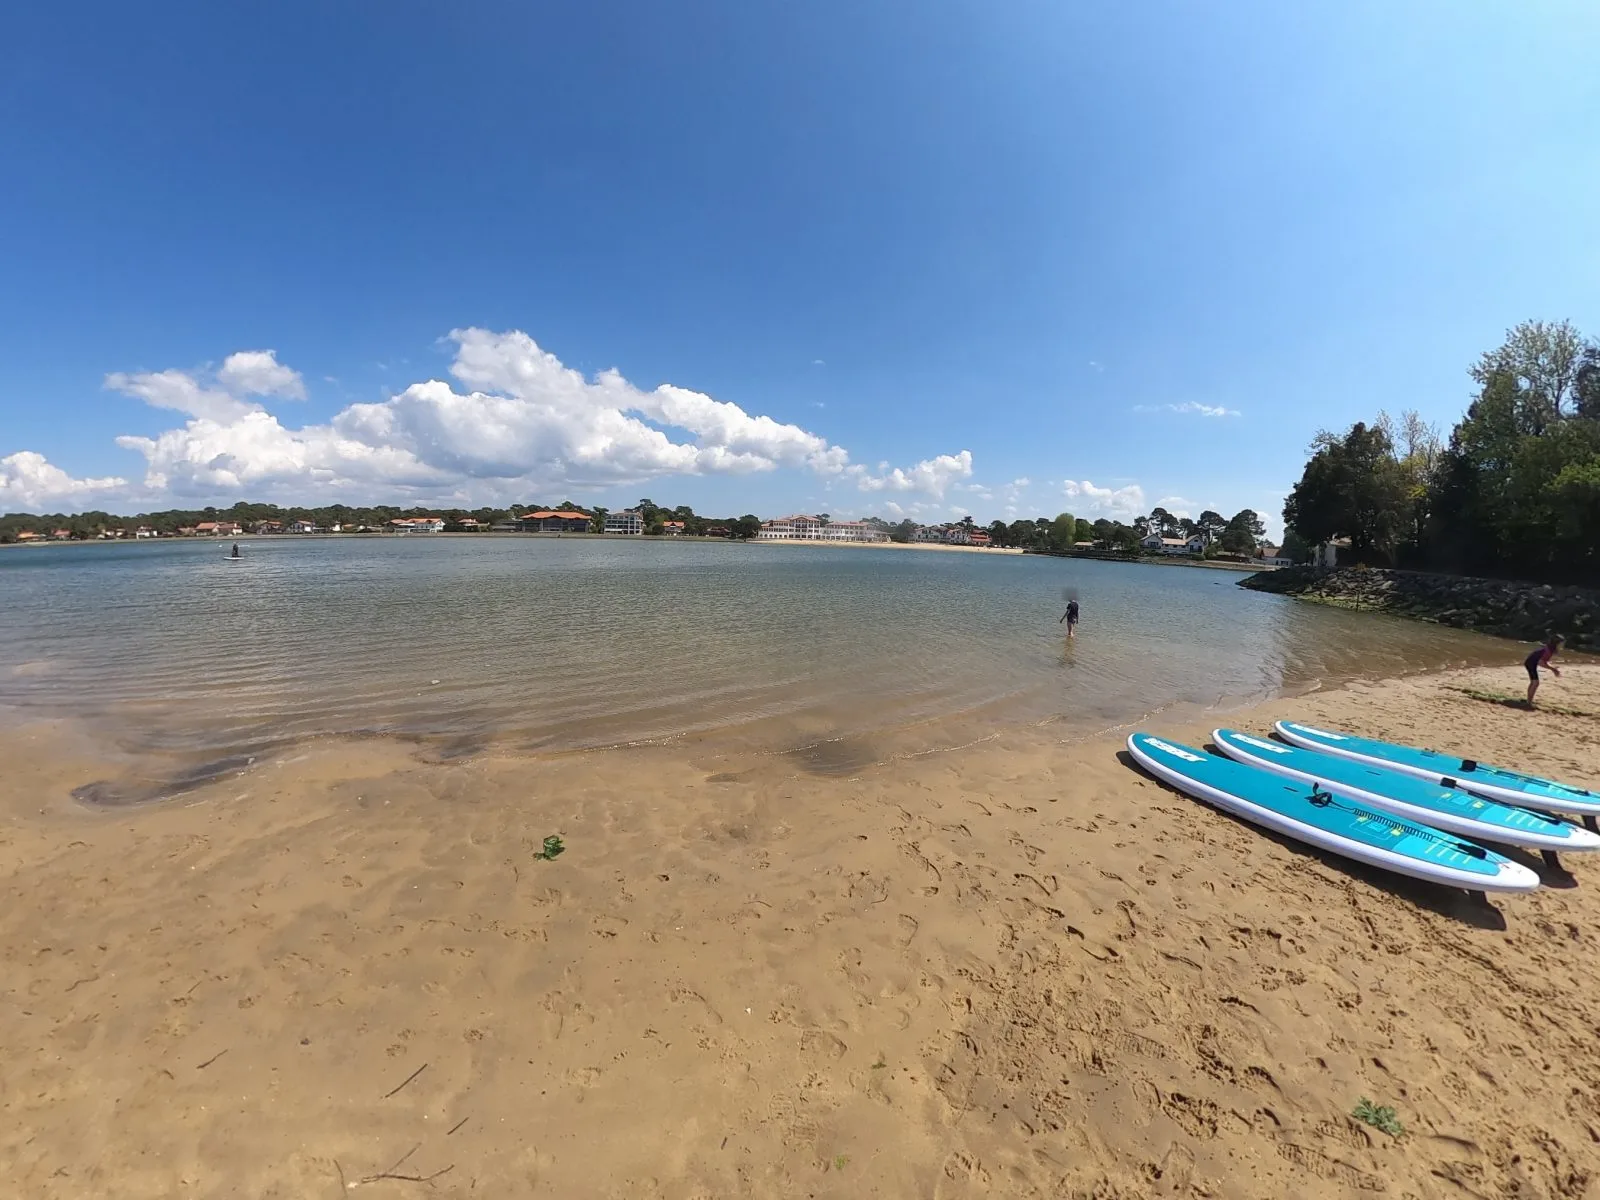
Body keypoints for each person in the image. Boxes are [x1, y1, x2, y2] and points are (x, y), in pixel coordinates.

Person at [1525, 634, 1564, 707]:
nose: (1562, 645)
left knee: (1534, 682)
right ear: (1557, 643)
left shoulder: (1549, 649)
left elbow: (1544, 661)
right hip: (1530, 663)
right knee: (1535, 683)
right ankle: (1528, 703)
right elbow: (1541, 663)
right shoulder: (1549, 650)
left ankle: (1528, 701)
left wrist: (1553, 669)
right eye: (1561, 643)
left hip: (1531, 662)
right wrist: (1553, 669)